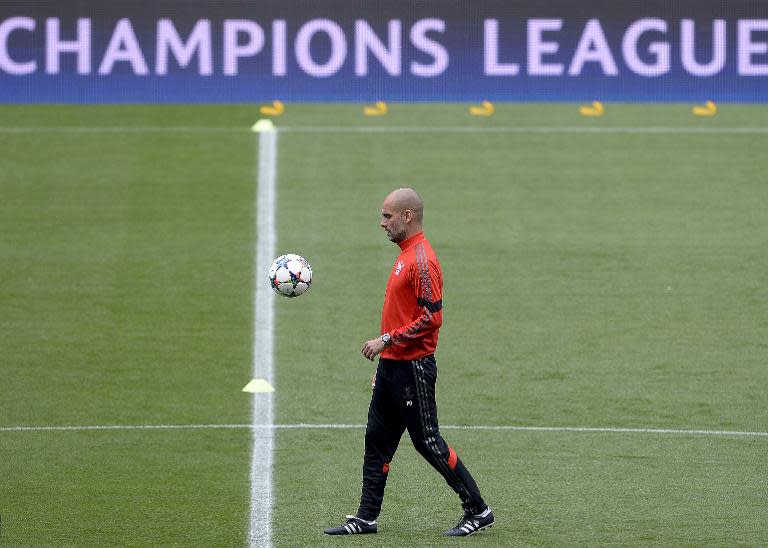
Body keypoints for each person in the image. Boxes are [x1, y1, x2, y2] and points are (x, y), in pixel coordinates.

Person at [324, 188, 494, 537]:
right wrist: (384, 362)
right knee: (376, 439)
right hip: (392, 367)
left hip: (413, 368)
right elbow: (402, 314)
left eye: (387, 216)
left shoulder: (422, 260)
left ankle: (478, 510)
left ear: (407, 217)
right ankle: (366, 517)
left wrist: (385, 341)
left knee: (428, 441)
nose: (381, 223)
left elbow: (431, 318)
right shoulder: (405, 255)